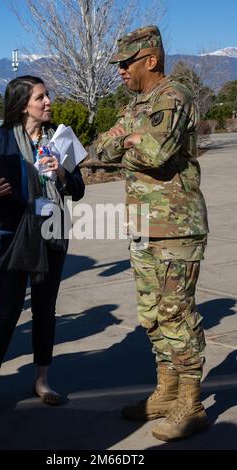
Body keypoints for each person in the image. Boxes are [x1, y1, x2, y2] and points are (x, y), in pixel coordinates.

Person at [96, 26, 209, 441]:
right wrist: (131, 136)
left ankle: (191, 402)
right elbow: (98, 151)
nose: (120, 71)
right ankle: (166, 391)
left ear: (150, 60)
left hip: (176, 226)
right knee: (150, 314)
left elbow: (156, 152)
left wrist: (128, 139)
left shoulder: (173, 97)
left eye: (125, 63)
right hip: (143, 227)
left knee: (176, 314)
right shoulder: (138, 104)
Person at [0, 75, 85, 410]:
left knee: (45, 311)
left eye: (48, 95)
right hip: (13, 233)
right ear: (23, 105)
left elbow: (78, 188)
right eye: (41, 97)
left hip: (52, 231)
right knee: (7, 310)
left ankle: (42, 380)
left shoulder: (60, 139)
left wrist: (63, 175)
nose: (48, 101)